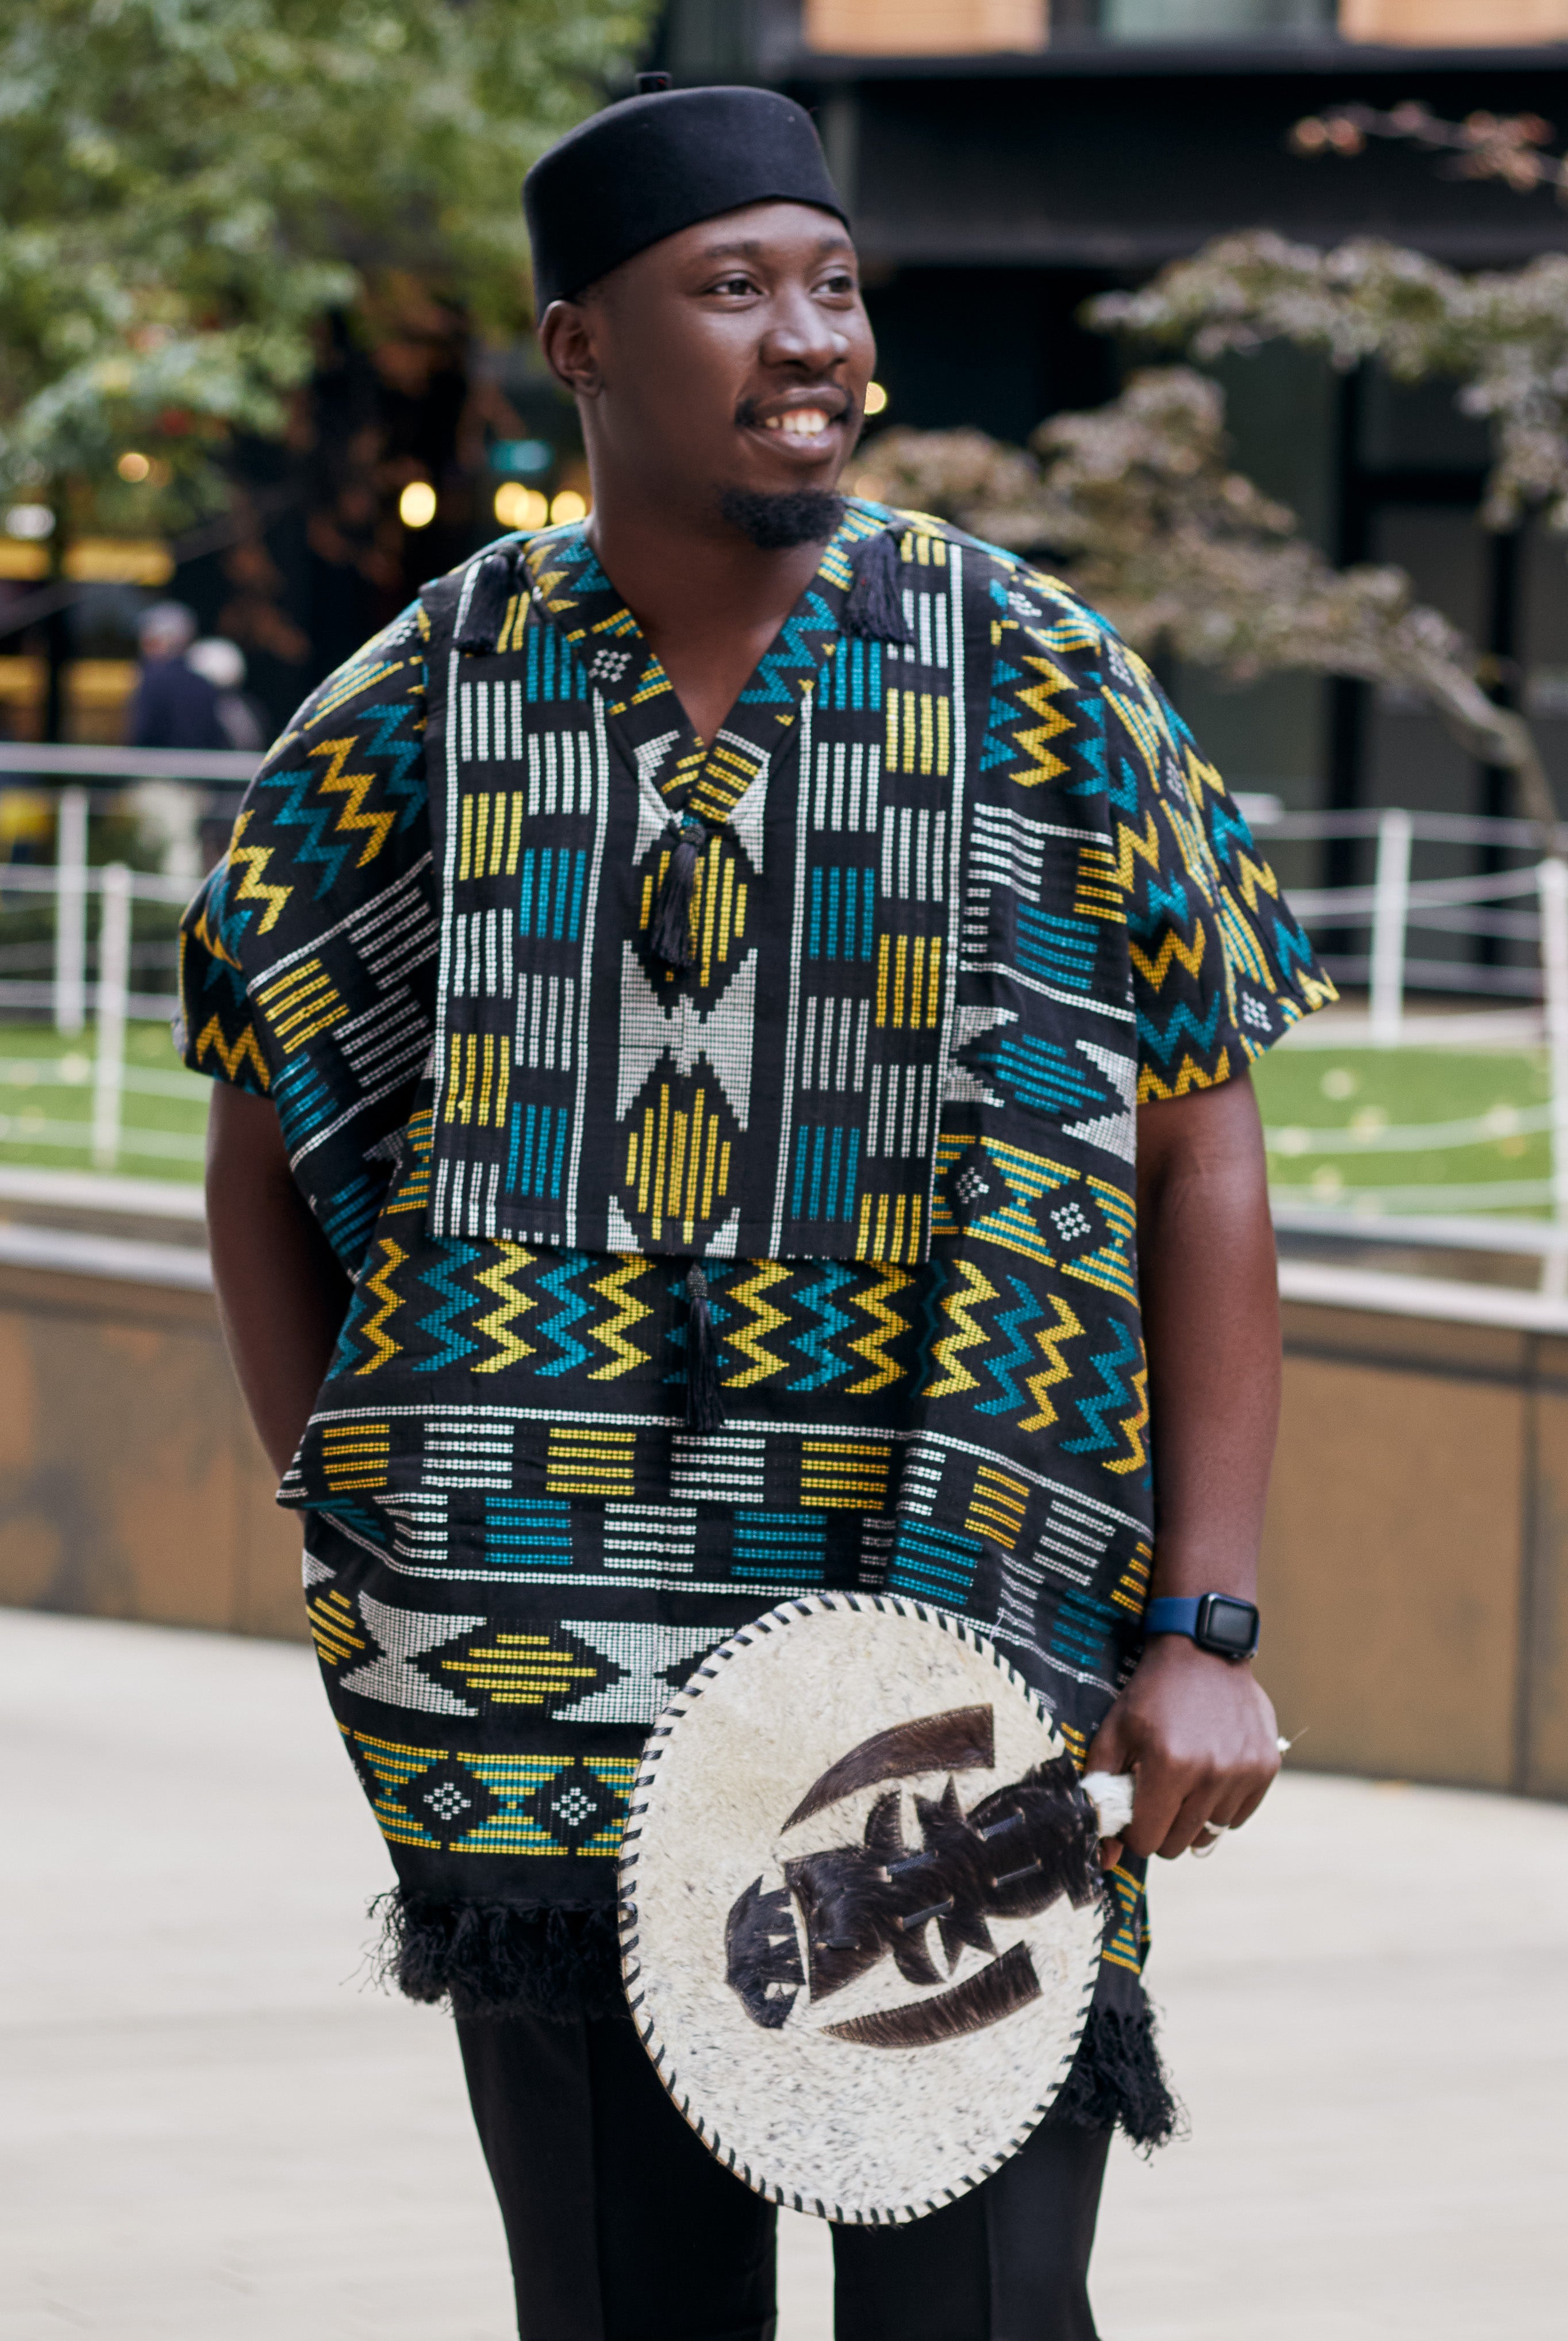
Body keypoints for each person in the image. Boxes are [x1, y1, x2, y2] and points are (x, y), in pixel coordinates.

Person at [178, 79, 1333, 2341]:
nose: (810, 336)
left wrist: (1201, 1615)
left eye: (832, 283)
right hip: (534, 1686)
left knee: (977, 2311)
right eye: (733, 287)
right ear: (579, 341)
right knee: (620, 2313)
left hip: (952, 1666)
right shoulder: (421, 707)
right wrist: (354, 1498)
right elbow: (267, 1112)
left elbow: (1201, 1148)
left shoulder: (1031, 682)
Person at [126, 601, 229, 751]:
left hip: (157, 770)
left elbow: (142, 734)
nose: (144, 649)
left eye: (150, 641)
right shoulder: (203, 683)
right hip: (202, 770)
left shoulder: (153, 680)